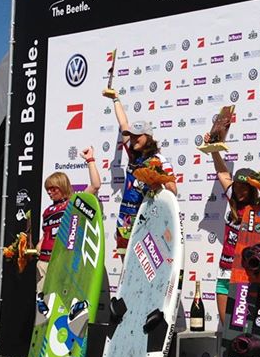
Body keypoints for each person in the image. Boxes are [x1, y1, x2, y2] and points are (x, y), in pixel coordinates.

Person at [102, 87, 177, 255]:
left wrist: (156, 182)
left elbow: (173, 190)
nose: (133, 139)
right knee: (124, 259)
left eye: (138, 136)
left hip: (147, 216)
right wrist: (115, 99)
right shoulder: (133, 156)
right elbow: (123, 124)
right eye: (132, 136)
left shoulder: (159, 161)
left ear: (148, 137)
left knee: (145, 263)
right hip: (126, 216)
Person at [35, 147, 100, 293]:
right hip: (43, 262)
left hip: (63, 261)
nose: (50, 192)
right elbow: (46, 234)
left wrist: (90, 160)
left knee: (59, 301)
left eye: (53, 189)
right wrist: (38, 245)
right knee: (42, 303)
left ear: (62, 186)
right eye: (48, 190)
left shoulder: (73, 203)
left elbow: (95, 186)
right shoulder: (47, 211)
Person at [208, 149, 258, 324]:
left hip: (241, 274)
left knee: (240, 327)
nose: (241, 191)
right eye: (238, 187)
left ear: (253, 190)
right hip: (223, 272)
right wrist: (213, 149)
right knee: (226, 327)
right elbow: (222, 173)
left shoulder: (257, 211)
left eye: (246, 188)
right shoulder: (233, 201)